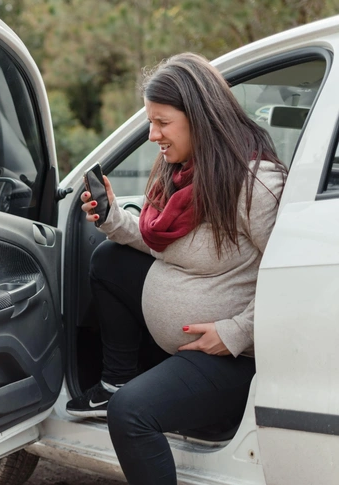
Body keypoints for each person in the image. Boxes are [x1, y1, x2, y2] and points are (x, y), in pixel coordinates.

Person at [65, 52, 287, 485]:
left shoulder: (255, 187)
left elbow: (292, 282)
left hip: (233, 356)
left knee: (132, 414)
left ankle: (123, 398)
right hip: (187, 339)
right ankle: (113, 382)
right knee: (108, 259)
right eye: (151, 122)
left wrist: (236, 332)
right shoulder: (183, 176)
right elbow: (161, 246)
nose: (153, 135)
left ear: (199, 117)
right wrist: (112, 218)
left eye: (162, 122)